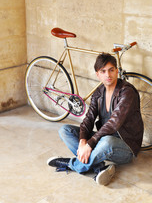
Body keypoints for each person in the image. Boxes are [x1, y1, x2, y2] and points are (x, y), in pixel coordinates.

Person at [47, 53, 143, 185]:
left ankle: (73, 164)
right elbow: (89, 118)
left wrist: (90, 143)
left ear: (116, 71)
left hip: (125, 146)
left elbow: (114, 123)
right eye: (103, 71)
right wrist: (82, 142)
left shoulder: (126, 92)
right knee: (65, 130)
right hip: (103, 139)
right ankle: (98, 166)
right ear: (98, 74)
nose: (108, 75)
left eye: (111, 70)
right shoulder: (99, 92)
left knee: (106, 141)